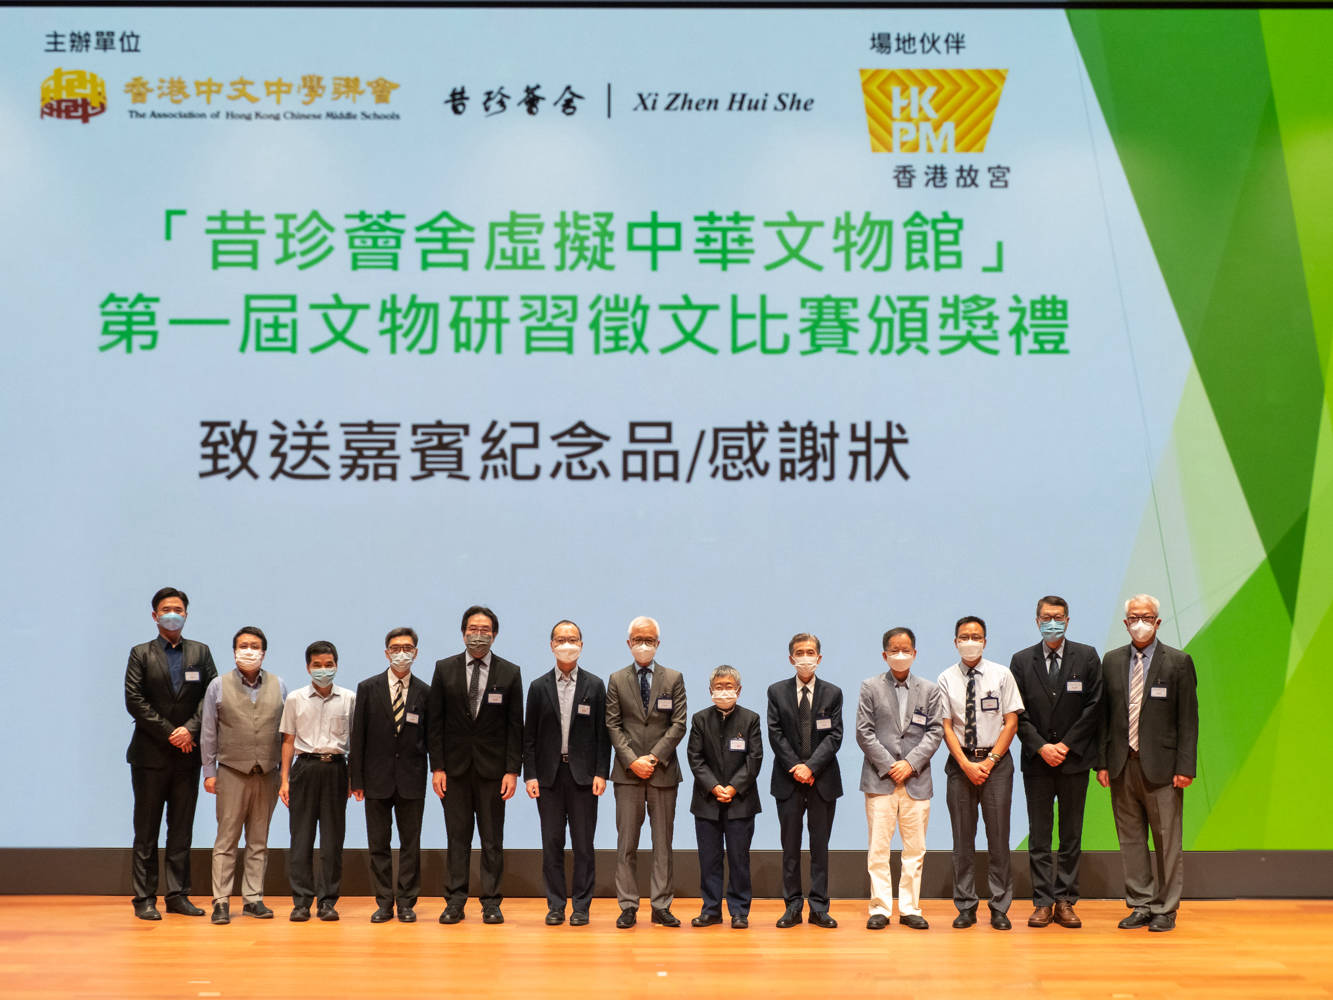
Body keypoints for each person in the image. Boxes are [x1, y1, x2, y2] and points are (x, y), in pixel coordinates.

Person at [1096, 594, 1199, 933]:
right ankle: (1140, 904)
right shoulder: (1111, 661)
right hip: (1122, 764)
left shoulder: (1178, 662)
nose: (1140, 623)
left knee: (1167, 841)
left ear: (1158, 621)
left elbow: (1188, 719)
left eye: (1147, 617)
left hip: (1164, 769)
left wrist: (1185, 767)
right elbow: (1104, 717)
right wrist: (1102, 763)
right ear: (1125, 623)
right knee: (1131, 840)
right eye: (1134, 617)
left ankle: (1165, 909)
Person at [124, 586, 218, 920]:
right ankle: (144, 898)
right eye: (166, 609)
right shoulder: (140, 653)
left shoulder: (200, 653)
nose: (172, 614)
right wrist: (170, 732)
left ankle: (177, 895)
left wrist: (189, 730)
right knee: (146, 830)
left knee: (181, 829)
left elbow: (212, 696)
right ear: (155, 615)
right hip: (149, 756)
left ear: (186, 614)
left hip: (187, 756)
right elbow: (134, 700)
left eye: (178, 609)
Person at [1009, 596, 1103, 929]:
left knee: (1071, 834)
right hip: (1037, 762)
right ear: (1037, 621)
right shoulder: (1021, 661)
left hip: (1073, 760)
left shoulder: (1087, 656)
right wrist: (1041, 746)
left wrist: (1065, 745)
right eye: (1047, 617)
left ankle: (1065, 901)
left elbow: (1094, 707)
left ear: (1068, 620)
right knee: (1039, 835)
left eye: (1059, 617)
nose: (1053, 623)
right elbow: (1016, 713)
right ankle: (1042, 902)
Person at [428, 605, 524, 925]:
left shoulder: (510, 672)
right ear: (463, 633)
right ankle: (455, 901)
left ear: (494, 635)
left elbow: (515, 727)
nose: (478, 635)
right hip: (453, 771)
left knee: (492, 839)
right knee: (457, 838)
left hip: (493, 772)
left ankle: (491, 902)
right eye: (473, 629)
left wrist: (512, 771)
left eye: (485, 630)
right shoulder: (444, 669)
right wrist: (437, 767)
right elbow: (435, 723)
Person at [938, 615, 1023, 930]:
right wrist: (965, 764)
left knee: (998, 837)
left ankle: (1000, 907)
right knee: (962, 839)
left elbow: (1011, 722)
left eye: (976, 637)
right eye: (964, 637)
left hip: (996, 765)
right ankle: (965, 906)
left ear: (985, 641)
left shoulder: (1002, 674)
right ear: (955, 642)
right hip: (961, 765)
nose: (970, 642)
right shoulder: (946, 678)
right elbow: (946, 726)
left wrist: (990, 761)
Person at [523, 620, 610, 926]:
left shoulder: (595, 686)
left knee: (584, 845)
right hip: (548, 777)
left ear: (581, 645)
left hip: (584, 777)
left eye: (572, 639)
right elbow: (529, 737)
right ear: (551, 645)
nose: (566, 644)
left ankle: (582, 906)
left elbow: (603, 735)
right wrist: (530, 775)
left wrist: (602, 772)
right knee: (552, 844)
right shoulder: (538, 687)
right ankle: (556, 905)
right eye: (561, 639)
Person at [855, 627, 944, 930]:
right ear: (885, 655)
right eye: (894, 650)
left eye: (906, 650)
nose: (900, 654)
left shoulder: (929, 690)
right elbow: (864, 732)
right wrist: (891, 766)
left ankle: (909, 908)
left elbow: (935, 732)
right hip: (880, 779)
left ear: (915, 653)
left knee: (915, 849)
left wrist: (910, 764)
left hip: (916, 780)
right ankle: (880, 908)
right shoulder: (870, 687)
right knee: (878, 849)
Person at [605, 615, 688, 928]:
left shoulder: (673, 678)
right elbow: (612, 724)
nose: (644, 645)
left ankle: (661, 905)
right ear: (629, 643)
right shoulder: (616, 679)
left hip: (663, 772)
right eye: (638, 640)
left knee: (662, 844)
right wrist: (632, 760)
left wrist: (652, 758)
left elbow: (678, 723)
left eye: (649, 640)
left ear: (658, 643)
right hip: (627, 774)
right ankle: (627, 906)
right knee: (626, 843)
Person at [201, 626, 287, 924]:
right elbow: (209, 732)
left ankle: (253, 899)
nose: (249, 651)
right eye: (243, 646)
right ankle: (221, 901)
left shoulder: (279, 685)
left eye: (254, 646)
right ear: (235, 650)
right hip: (231, 772)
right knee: (226, 839)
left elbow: (286, 733)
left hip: (267, 773)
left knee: (258, 839)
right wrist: (209, 772)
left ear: (264, 652)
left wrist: (284, 774)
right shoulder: (218, 685)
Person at [349, 627, 431, 924]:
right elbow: (358, 736)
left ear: (416, 653)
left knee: (410, 844)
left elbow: (431, 738)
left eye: (407, 648)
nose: (401, 653)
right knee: (378, 844)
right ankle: (384, 902)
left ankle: (407, 902)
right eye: (395, 648)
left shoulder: (426, 692)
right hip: (375, 780)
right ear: (386, 653)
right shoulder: (368, 688)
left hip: (412, 779)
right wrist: (356, 780)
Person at [767, 632, 842, 929]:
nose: (805, 657)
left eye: (811, 652)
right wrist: (796, 767)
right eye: (800, 652)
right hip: (788, 781)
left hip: (822, 780)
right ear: (791, 658)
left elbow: (834, 736)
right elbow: (776, 733)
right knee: (790, 847)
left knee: (820, 847)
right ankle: (793, 906)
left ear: (819, 658)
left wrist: (810, 768)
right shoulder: (777, 691)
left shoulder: (833, 693)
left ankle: (819, 907)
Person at [279, 640, 355, 922]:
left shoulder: (349, 698)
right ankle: (301, 902)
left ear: (337, 665)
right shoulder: (295, 699)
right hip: (305, 768)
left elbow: (355, 742)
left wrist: (353, 778)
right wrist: (284, 779)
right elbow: (288, 741)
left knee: (332, 839)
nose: (323, 670)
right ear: (308, 667)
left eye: (329, 665)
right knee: (301, 837)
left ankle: (327, 902)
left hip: (336, 769)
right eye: (317, 665)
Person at [687, 665, 763, 929]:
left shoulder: (750, 719)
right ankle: (710, 910)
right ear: (710, 690)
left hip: (741, 801)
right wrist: (713, 786)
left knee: (739, 859)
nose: (724, 691)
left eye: (728, 686)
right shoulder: (700, 719)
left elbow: (755, 758)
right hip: (706, 801)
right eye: (718, 687)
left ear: (738, 690)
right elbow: (695, 757)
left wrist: (733, 787)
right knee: (709, 859)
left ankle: (739, 911)